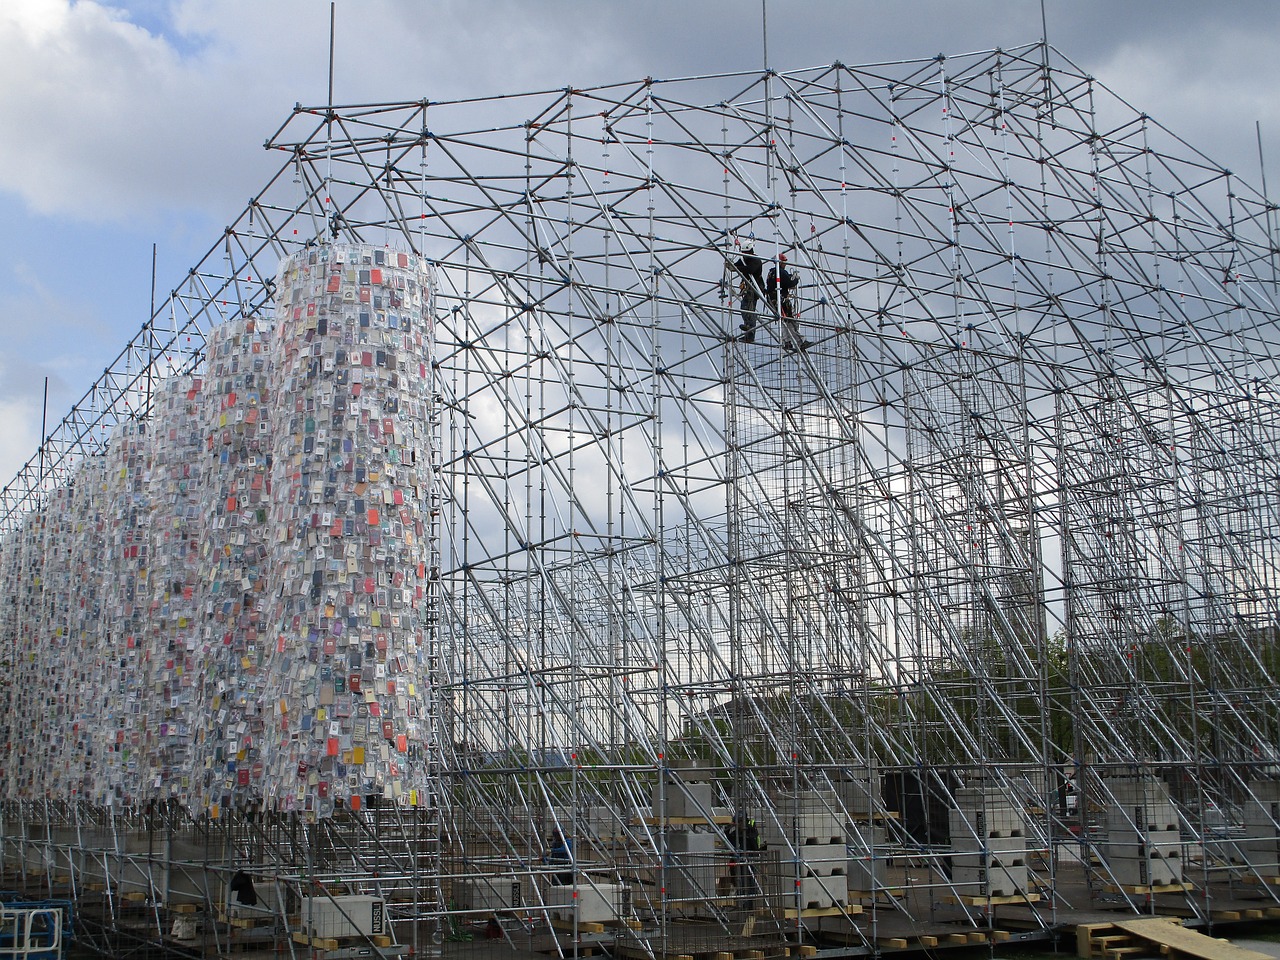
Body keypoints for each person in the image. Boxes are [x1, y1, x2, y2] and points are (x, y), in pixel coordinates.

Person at [766, 254, 808, 349]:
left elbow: (782, 281)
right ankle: (801, 342)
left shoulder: (771, 273)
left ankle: (787, 342)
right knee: (791, 321)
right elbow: (790, 283)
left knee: (784, 321)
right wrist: (796, 279)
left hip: (773, 300)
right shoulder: (780, 272)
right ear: (780, 262)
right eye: (784, 262)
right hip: (781, 300)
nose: (785, 264)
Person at [731, 241, 765, 342]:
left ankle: (750, 332)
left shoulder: (756, 260)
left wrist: (737, 268)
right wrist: (732, 266)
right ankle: (748, 328)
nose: (744, 254)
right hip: (748, 287)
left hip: (755, 287)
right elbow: (737, 265)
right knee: (745, 307)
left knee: (749, 308)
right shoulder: (744, 259)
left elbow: (750, 269)